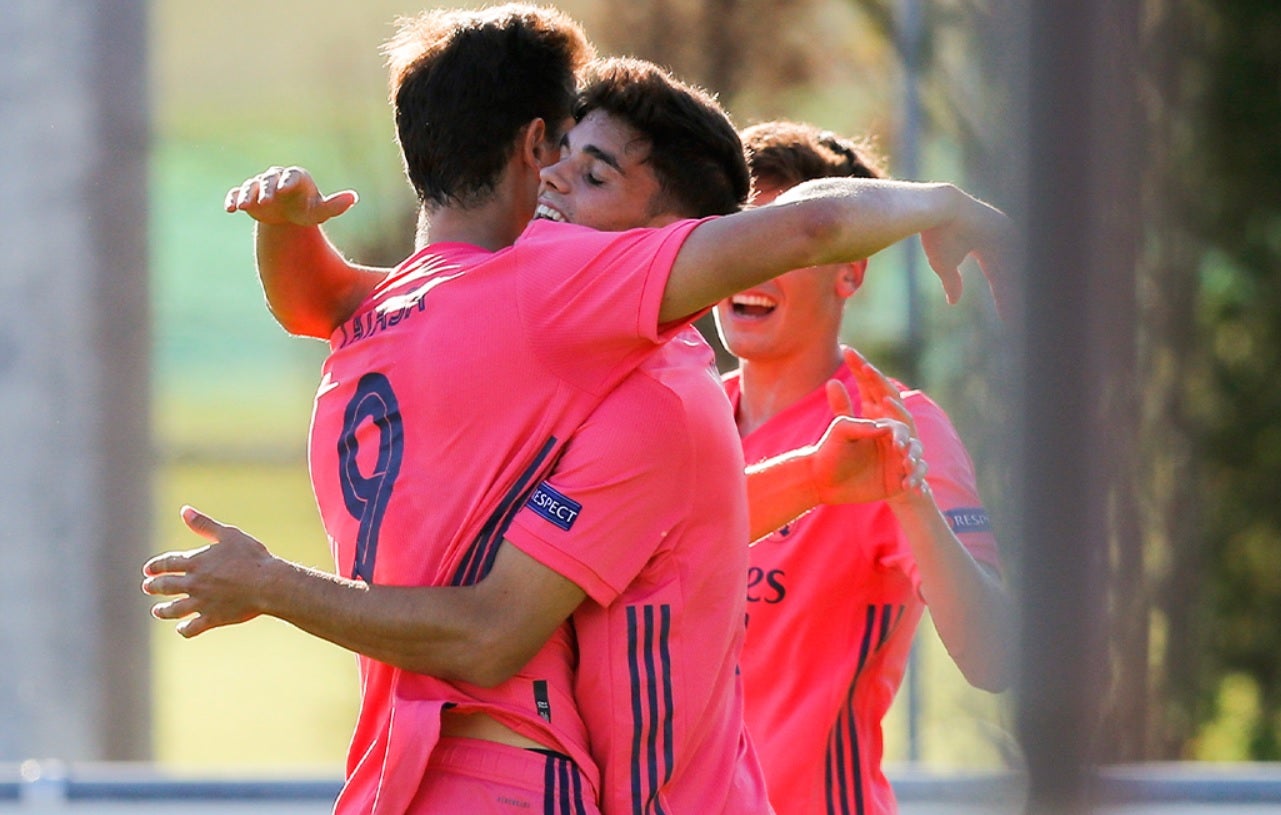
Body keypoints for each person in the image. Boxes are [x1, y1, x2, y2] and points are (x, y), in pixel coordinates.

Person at [144, 8, 1009, 811]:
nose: (555, 182)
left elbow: (319, 303)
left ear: (673, 241)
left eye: (589, 169)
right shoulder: (528, 320)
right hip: (447, 771)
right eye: (558, 150)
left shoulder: (572, 334)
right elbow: (323, 301)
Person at [717, 120, 1015, 815]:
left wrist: (911, 500)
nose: (749, 264)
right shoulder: (682, 419)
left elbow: (995, 657)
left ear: (849, 270)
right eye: (735, 237)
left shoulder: (895, 424)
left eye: (783, 242)